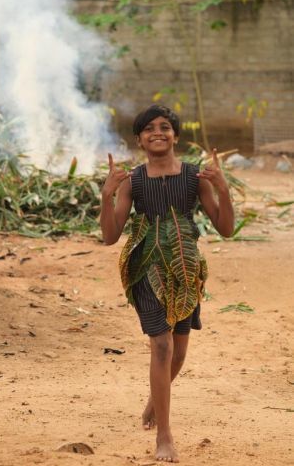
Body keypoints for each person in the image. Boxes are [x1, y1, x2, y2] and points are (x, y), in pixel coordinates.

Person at [100, 104, 234, 463]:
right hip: (146, 266)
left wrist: (224, 189)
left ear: (175, 135)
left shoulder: (194, 178)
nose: (157, 132)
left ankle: (153, 400)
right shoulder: (133, 181)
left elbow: (226, 228)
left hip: (185, 269)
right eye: (148, 129)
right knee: (161, 347)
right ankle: (165, 437)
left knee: (180, 352)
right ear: (140, 140)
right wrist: (107, 196)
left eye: (165, 127)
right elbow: (111, 237)